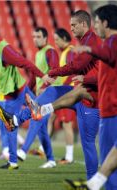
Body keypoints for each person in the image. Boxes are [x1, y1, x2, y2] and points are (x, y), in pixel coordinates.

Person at [0, 10, 101, 179]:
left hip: (92, 98)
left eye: (74, 25)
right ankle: (17, 120)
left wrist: (54, 72)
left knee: (88, 143)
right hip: (81, 93)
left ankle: (93, 180)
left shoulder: (90, 42)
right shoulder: (84, 41)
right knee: (51, 93)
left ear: (84, 24)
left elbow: (77, 66)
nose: (71, 29)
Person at [0, 26, 52, 170]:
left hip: (15, 94)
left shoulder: (5, 50)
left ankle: (14, 160)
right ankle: (48, 158)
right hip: (18, 91)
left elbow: (25, 63)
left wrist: (43, 76)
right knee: (39, 113)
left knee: (11, 125)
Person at [64, 4, 117, 190]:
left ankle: (93, 185)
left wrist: (89, 50)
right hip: (109, 110)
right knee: (112, 160)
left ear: (105, 22)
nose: (95, 26)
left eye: (96, 22)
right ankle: (93, 184)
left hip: (111, 112)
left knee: (109, 159)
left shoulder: (111, 44)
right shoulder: (107, 44)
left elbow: (109, 55)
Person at [16, 27, 60, 168]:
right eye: (33, 36)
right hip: (43, 94)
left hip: (51, 93)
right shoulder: (39, 53)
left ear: (45, 38)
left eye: (38, 36)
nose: (35, 39)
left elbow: (54, 71)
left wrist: (44, 87)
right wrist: (27, 92)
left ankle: (23, 150)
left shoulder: (50, 51)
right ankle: (51, 159)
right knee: (41, 128)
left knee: (36, 118)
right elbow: (35, 76)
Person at [53, 28, 76, 164]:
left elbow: (72, 72)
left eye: (57, 39)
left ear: (64, 38)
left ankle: (69, 156)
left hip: (69, 92)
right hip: (67, 91)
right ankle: (43, 149)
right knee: (54, 119)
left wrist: (63, 88)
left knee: (67, 124)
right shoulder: (65, 53)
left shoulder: (70, 52)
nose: (55, 43)